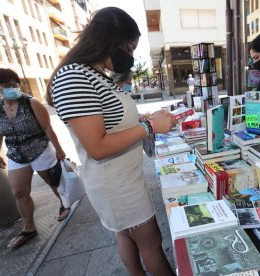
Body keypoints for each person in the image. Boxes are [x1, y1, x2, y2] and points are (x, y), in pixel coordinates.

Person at [46, 7, 176, 275]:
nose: (129, 56)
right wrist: (149, 126)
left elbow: (111, 118)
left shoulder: (95, 75)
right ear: (109, 39)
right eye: (129, 48)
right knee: (151, 243)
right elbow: (98, 147)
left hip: (123, 178)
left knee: (126, 235)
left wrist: (144, 117)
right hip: (115, 184)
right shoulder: (74, 76)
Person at [0, 68, 68, 248]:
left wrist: (58, 149)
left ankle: (64, 204)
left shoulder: (31, 103)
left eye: (14, 84)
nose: (11, 87)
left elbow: (48, 128)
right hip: (16, 154)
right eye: (6, 85)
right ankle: (29, 227)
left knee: (53, 182)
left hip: (39, 149)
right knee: (18, 192)